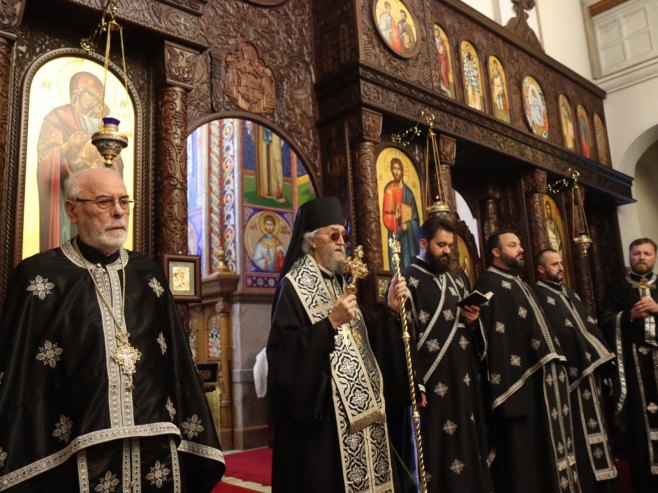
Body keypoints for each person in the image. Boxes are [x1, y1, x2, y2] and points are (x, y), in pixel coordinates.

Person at [0, 168, 225, 491]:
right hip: (77, 445)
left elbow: (175, 360)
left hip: (156, 439)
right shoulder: (39, 276)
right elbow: (21, 377)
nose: (119, 211)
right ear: (72, 210)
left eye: (123, 201)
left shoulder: (148, 274)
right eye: (105, 202)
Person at [267, 196, 410, 493]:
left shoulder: (339, 281)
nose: (342, 241)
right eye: (334, 234)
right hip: (327, 429)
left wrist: (391, 311)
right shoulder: (294, 286)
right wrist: (328, 324)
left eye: (343, 233)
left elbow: (365, 340)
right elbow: (284, 357)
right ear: (312, 241)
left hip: (366, 420)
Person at [474, 230, 580, 493]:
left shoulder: (521, 282)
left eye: (520, 244)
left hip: (542, 382)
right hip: (518, 387)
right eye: (513, 245)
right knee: (525, 460)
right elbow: (488, 336)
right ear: (496, 252)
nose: (521, 249)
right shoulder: (489, 283)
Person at [399, 216, 493, 493]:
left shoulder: (457, 282)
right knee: (437, 450)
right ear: (424, 243)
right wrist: (416, 383)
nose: (448, 251)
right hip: (432, 385)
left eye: (450, 246)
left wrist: (474, 321)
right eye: (441, 245)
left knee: (468, 443)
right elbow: (404, 337)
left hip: (463, 381)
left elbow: (472, 336)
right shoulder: (407, 280)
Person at [534, 249, 618, 493]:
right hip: (572, 380)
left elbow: (587, 328)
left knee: (600, 426)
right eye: (554, 264)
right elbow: (558, 335)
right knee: (579, 433)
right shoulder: (539, 296)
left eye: (561, 263)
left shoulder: (570, 293)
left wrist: (598, 357)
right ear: (541, 269)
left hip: (591, 375)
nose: (560, 268)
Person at [37, 71, 124, 251]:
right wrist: (68, 146)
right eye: (90, 96)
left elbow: (115, 163)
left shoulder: (98, 124)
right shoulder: (57, 117)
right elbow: (45, 160)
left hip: (99, 200)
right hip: (64, 195)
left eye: (96, 99)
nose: (93, 102)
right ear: (77, 93)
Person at [598, 237, 658, 493]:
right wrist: (629, 316)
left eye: (646, 253)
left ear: (654, 256)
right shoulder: (617, 288)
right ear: (629, 257)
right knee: (639, 428)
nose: (641, 257)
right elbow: (602, 321)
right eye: (635, 254)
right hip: (633, 368)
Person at [382, 157, 420, 270]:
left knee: (408, 266)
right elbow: (386, 215)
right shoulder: (389, 190)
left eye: (398, 169)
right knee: (396, 267)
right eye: (393, 168)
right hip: (394, 233)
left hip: (407, 236)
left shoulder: (409, 193)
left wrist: (407, 226)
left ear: (403, 172)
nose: (395, 172)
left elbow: (416, 219)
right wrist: (395, 218)